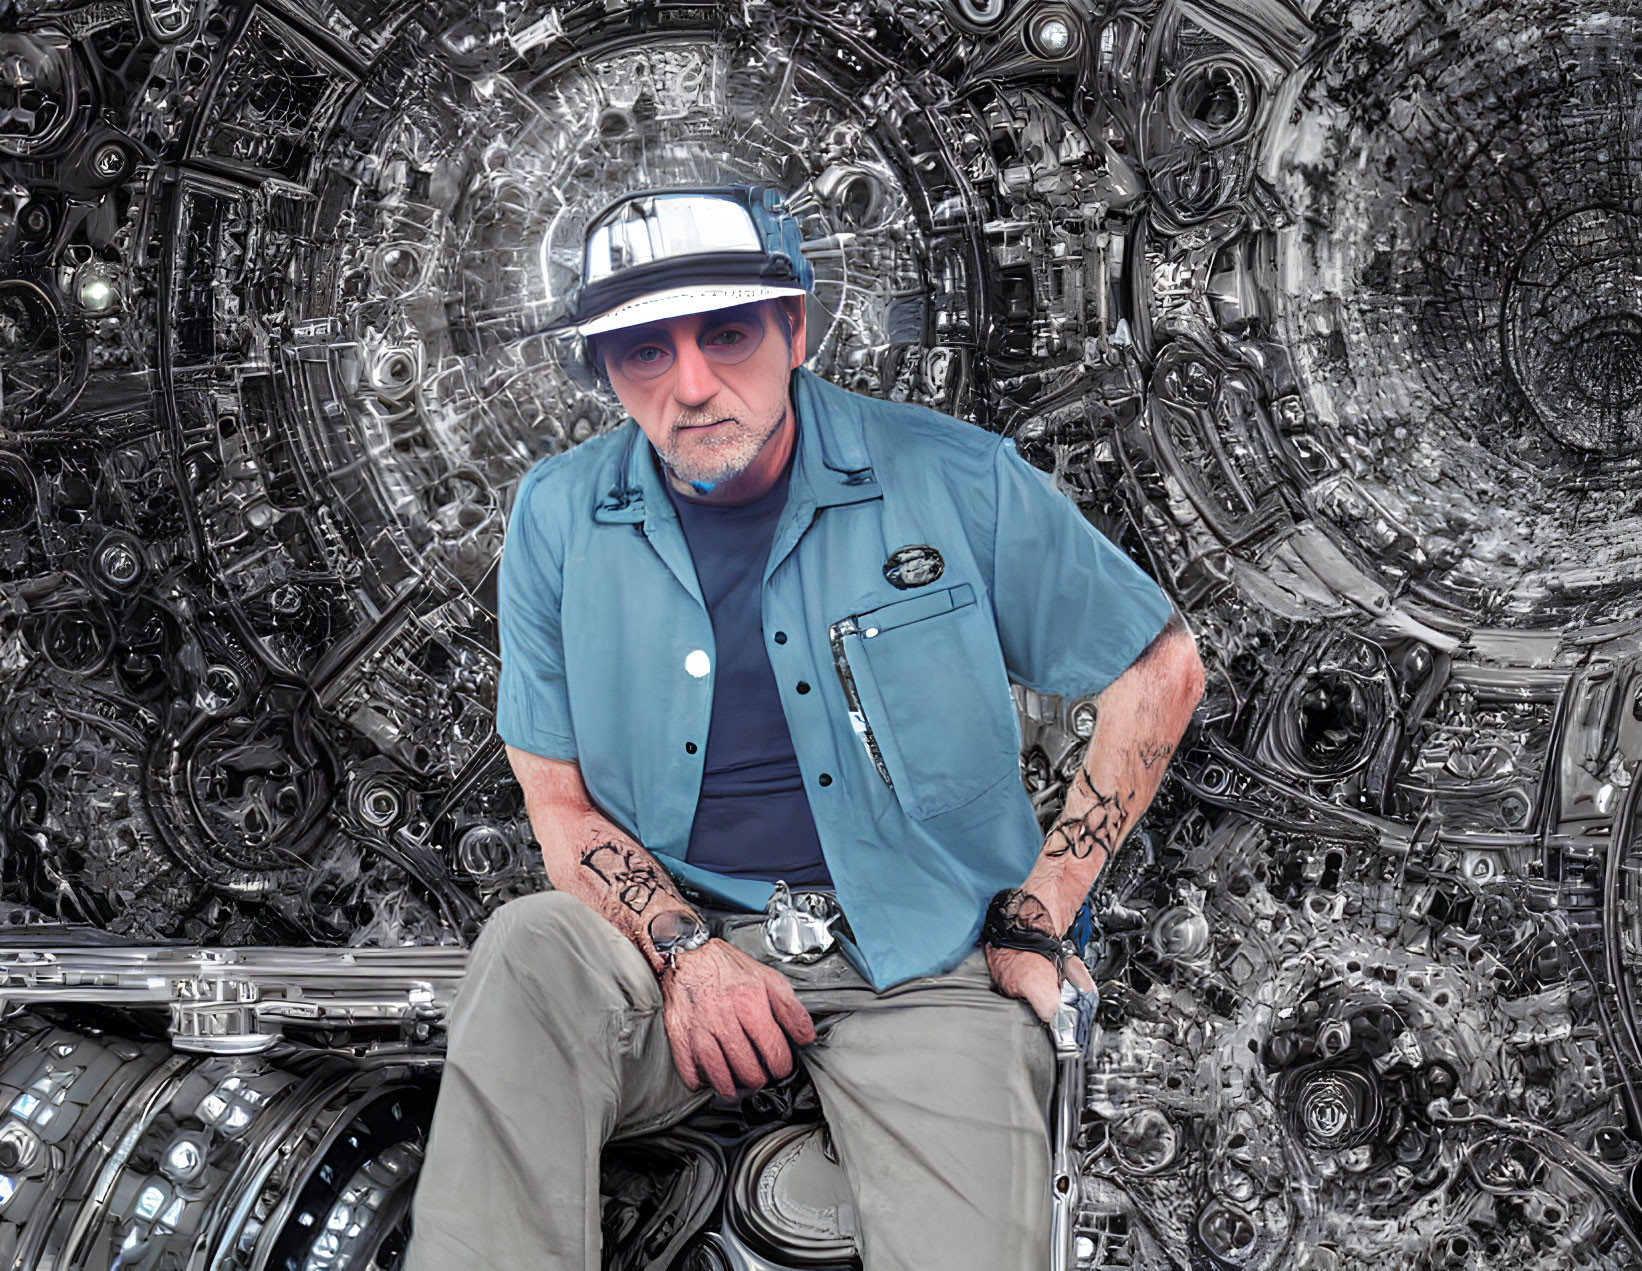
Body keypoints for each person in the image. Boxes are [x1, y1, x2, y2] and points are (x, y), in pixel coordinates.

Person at [403, 186, 1205, 1270]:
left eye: (726, 332)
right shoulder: (556, 514)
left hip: (922, 953)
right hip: (665, 952)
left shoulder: (952, 475)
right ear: (603, 373)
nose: (691, 386)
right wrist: (685, 952)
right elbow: (557, 798)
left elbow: (1158, 667)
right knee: (526, 949)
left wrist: (1042, 908)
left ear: (797, 326)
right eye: (643, 351)